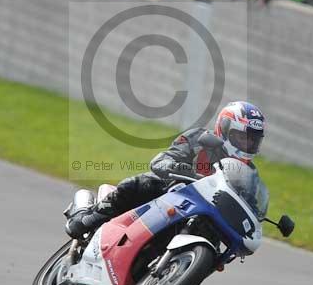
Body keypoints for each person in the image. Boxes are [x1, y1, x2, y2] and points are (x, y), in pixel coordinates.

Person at [66, 101, 267, 239]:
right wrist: (175, 167)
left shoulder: (248, 172)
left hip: (205, 214)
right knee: (139, 184)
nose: (247, 144)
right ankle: (87, 218)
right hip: (171, 193)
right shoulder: (199, 138)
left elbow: (249, 204)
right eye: (243, 137)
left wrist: (258, 215)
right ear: (224, 128)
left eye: (253, 140)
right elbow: (163, 159)